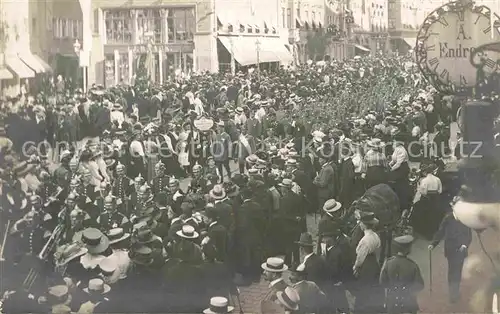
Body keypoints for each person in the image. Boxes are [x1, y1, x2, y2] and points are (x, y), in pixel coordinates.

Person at [429, 211, 472, 303]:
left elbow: (468, 235)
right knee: (452, 271)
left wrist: (464, 245)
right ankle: (453, 292)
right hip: (451, 250)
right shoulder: (447, 218)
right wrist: (433, 244)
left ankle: (454, 292)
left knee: (457, 272)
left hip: (461, 251)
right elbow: (440, 232)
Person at [380, 235, 424, 314]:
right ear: (408, 249)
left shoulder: (388, 263)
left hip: (392, 303)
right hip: (408, 304)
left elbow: (383, 282)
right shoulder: (412, 265)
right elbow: (420, 285)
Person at [352, 211, 384, 313]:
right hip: (374, 263)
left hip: (366, 266)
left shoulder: (364, 241)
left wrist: (355, 268)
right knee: (374, 287)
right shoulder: (375, 236)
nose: (360, 224)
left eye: (361, 222)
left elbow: (360, 259)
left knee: (364, 289)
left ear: (364, 225)